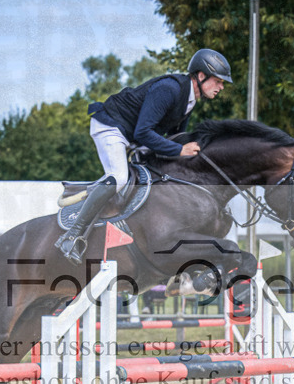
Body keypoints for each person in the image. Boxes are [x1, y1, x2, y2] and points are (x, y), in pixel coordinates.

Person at [55, 48, 233, 264]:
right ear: (201, 76)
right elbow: (144, 132)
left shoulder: (190, 99)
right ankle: (72, 236)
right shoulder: (169, 89)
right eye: (218, 81)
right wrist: (179, 151)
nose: (222, 87)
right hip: (111, 126)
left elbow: (175, 137)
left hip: (134, 136)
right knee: (119, 178)